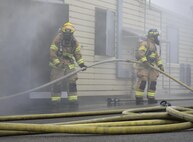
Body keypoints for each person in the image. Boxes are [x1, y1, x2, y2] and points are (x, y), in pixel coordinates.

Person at [49, 22, 87, 106]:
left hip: (69, 63)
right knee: (57, 82)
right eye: (66, 33)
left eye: (69, 33)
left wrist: (82, 64)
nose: (67, 35)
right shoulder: (57, 39)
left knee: (72, 81)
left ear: (72, 33)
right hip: (58, 63)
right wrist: (58, 64)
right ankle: (55, 101)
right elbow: (52, 52)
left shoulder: (74, 42)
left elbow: (77, 54)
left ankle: (72, 100)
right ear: (62, 32)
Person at [135, 29, 164, 105]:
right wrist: (145, 61)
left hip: (151, 66)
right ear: (152, 37)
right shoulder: (145, 43)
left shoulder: (154, 45)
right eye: (157, 36)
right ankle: (139, 99)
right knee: (143, 81)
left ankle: (151, 98)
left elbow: (157, 57)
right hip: (143, 65)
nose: (158, 38)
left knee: (153, 82)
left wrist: (160, 65)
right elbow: (141, 52)